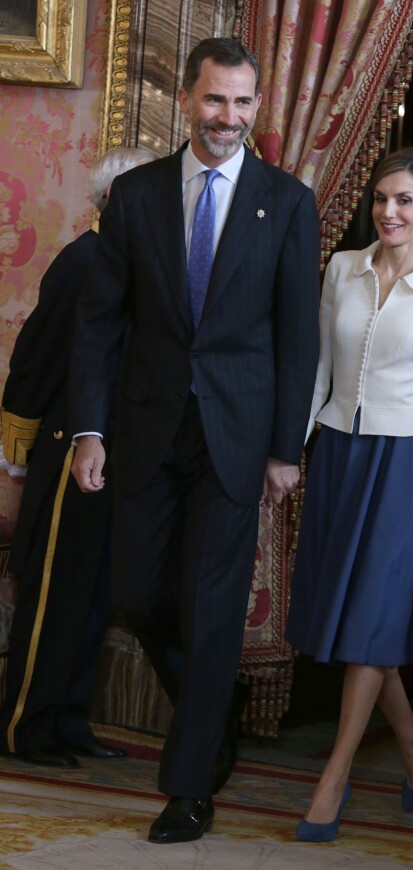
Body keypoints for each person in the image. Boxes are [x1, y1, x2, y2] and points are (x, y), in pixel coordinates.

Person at [68, 37, 320, 844]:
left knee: (213, 611)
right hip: (144, 430)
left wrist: (287, 446)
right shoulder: (137, 196)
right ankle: (216, 705)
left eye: (244, 103)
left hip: (237, 438)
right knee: (137, 594)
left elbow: (297, 337)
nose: (229, 118)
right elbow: (101, 323)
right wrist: (90, 429)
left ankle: (188, 786)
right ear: (186, 98)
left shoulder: (285, 202)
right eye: (216, 100)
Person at [285, 147, 413, 843]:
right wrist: (290, 450)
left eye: (404, 201)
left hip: (407, 466)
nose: (389, 212)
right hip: (339, 453)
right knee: (360, 624)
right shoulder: (342, 269)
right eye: (381, 199)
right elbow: (315, 373)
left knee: (368, 623)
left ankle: (333, 777)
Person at [0, 147, 156, 768]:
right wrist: (17, 455)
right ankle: (25, 726)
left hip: (115, 457)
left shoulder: (130, 264)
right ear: (114, 201)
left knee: (93, 596)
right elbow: (34, 362)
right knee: (56, 595)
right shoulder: (82, 260)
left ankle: (67, 721)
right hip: (68, 454)